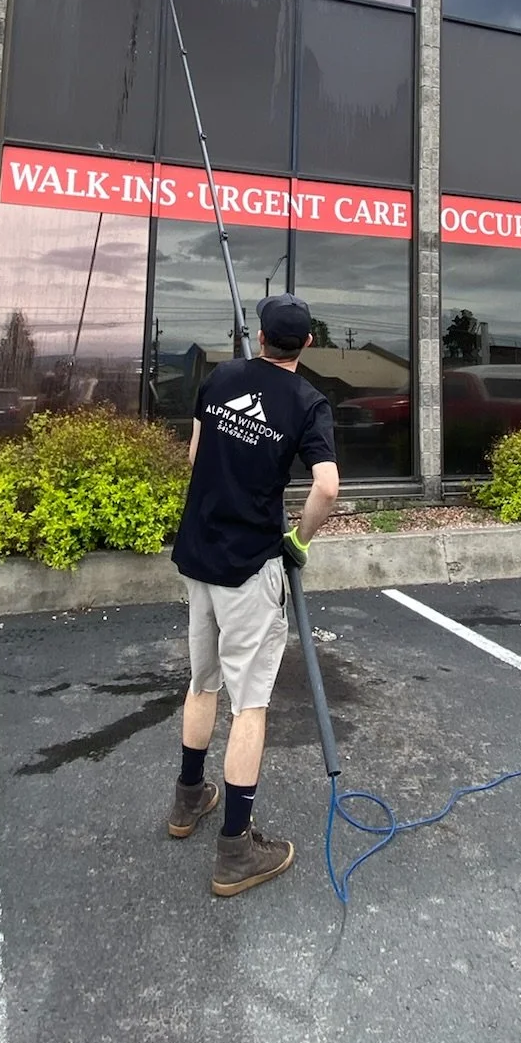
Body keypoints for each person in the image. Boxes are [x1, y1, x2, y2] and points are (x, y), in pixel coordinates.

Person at [167, 292, 341, 896]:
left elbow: (195, 456)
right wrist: (300, 540)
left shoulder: (221, 378)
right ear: (308, 345)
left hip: (199, 557)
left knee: (202, 681)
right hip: (250, 569)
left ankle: (189, 800)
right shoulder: (308, 402)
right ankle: (236, 850)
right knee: (251, 705)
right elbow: (327, 487)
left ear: (260, 337)